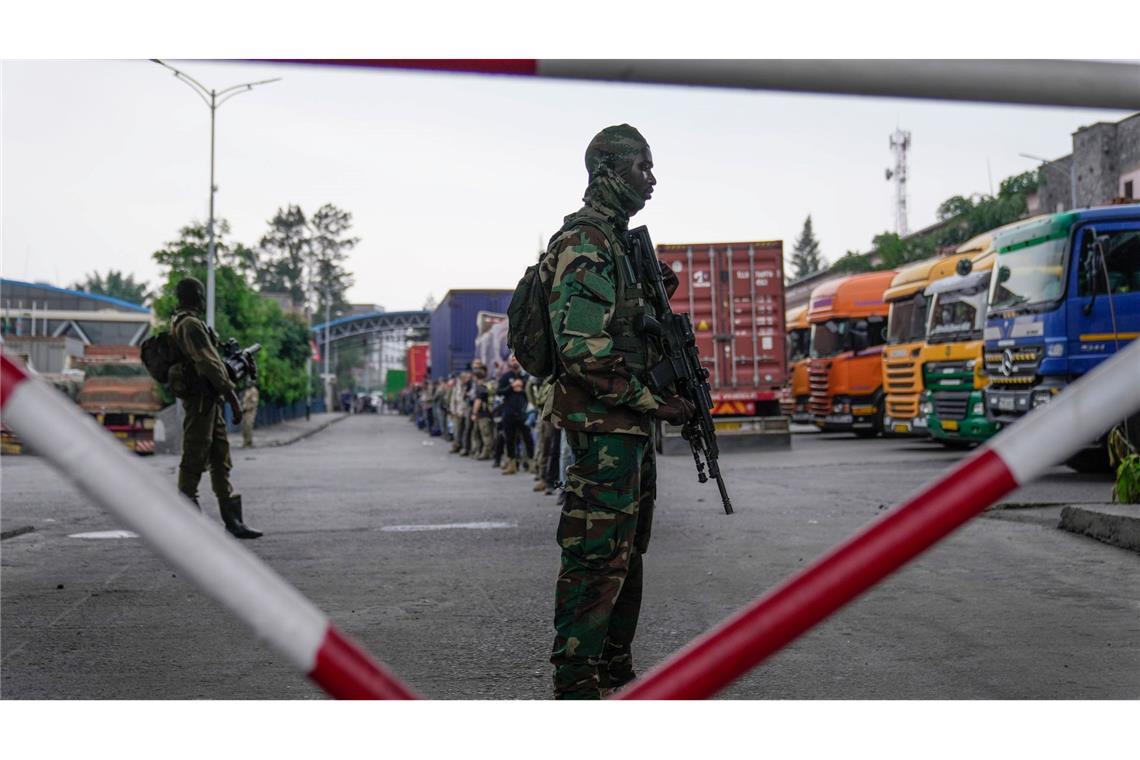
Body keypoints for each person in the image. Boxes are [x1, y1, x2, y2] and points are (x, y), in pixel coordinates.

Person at [542, 124, 694, 699]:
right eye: (642, 167)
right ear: (608, 171)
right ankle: (576, 680)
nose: (652, 178)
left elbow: (620, 333)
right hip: (603, 430)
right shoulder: (586, 242)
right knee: (595, 558)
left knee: (627, 553)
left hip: (625, 431)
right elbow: (584, 353)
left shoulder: (620, 244)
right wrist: (655, 401)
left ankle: (613, 665)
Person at [167, 277, 262, 539]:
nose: (201, 297)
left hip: (210, 400)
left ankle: (233, 521)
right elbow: (209, 364)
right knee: (195, 455)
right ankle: (188, 521)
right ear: (194, 295)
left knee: (220, 457)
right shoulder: (189, 324)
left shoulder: (185, 323)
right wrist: (232, 396)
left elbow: (214, 362)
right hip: (200, 401)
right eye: (199, 293)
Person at [241, 384, 259, 448]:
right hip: (244, 412)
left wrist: (246, 408)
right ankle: (245, 442)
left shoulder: (253, 390)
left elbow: (254, 403)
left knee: (248, 426)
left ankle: (249, 443)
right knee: (244, 427)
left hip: (250, 412)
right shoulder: (247, 390)